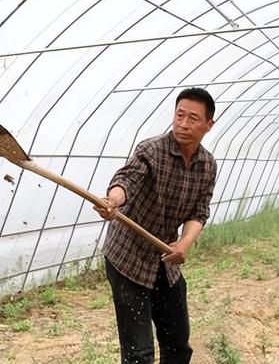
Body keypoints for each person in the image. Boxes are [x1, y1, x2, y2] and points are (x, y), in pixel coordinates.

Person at [93, 87, 217, 364]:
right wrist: (113, 200)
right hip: (129, 259)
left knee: (178, 345)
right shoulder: (151, 150)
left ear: (209, 125)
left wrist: (185, 243)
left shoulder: (207, 165)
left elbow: (200, 210)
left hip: (164, 257)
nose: (183, 124)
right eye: (179, 115)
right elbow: (127, 180)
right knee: (139, 354)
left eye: (193, 118)